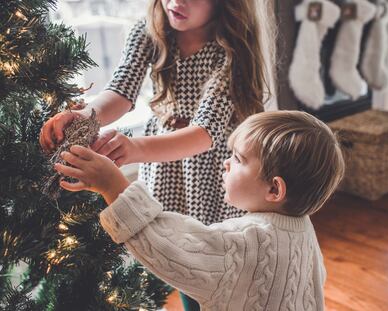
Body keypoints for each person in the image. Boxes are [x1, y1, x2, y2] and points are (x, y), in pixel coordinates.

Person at [40, 1, 275, 308]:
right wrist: (87, 115)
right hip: (164, 170)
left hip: (210, 172)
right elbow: (121, 91)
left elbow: (205, 133)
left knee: (205, 262)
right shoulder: (150, 30)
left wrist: (136, 148)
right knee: (166, 250)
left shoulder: (231, 49)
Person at [54, 110, 345, 310]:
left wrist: (113, 186)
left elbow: (166, 246)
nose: (226, 163)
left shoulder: (247, 241)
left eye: (239, 159)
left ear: (274, 190)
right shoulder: (302, 227)